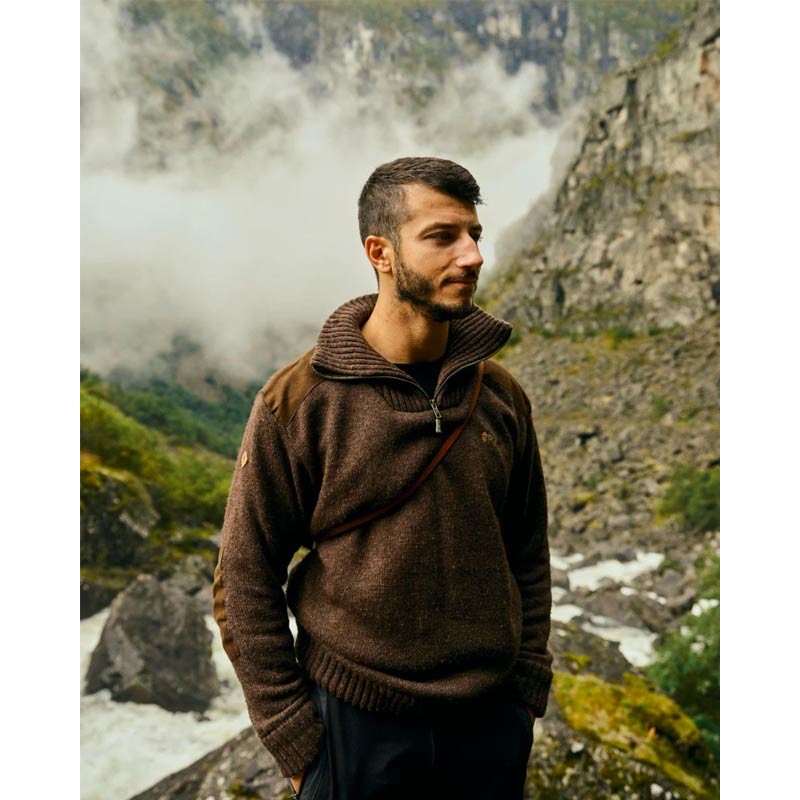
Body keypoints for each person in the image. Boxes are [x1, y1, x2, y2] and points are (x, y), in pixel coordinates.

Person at [212, 156, 553, 800]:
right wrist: (294, 738)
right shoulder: (299, 402)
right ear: (381, 252)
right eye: (442, 236)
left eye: (474, 234)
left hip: (490, 725)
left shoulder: (500, 396)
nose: (472, 256)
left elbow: (527, 553)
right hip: (353, 727)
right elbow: (244, 576)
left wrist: (526, 687)